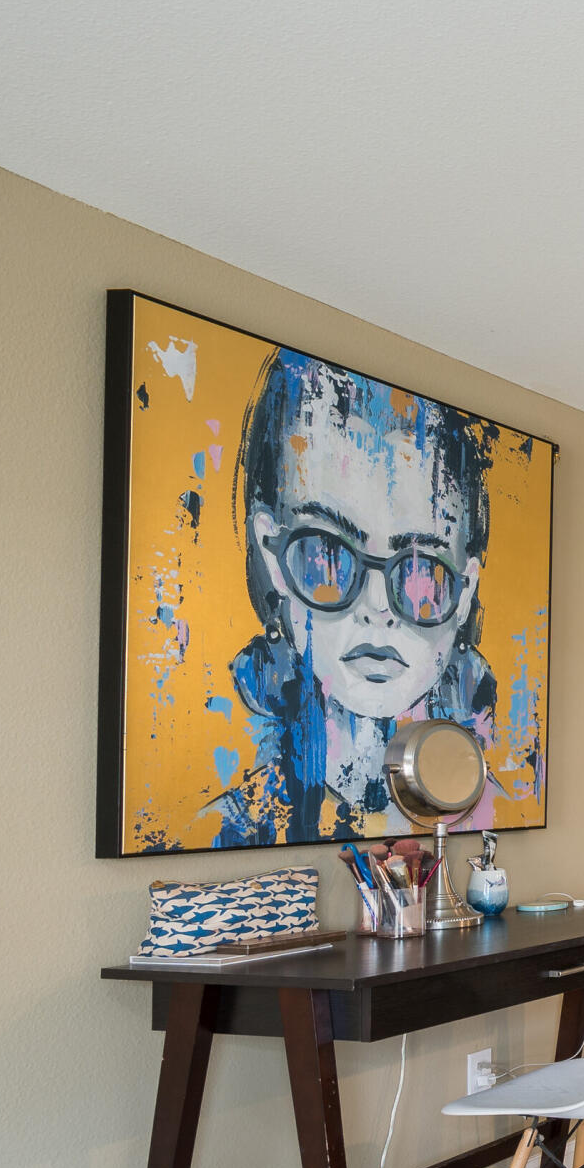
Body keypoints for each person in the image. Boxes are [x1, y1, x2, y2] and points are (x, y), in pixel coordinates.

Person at [211, 351, 502, 845]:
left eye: (420, 573)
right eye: (326, 556)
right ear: (273, 555)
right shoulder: (233, 827)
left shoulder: (493, 808)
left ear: (465, 590)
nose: (377, 608)